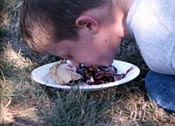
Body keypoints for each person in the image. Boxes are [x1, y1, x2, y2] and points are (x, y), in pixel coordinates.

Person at [20, 0, 175, 111]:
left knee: (159, 84)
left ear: (88, 25)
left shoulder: (159, 44)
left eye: (70, 55)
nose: (73, 65)